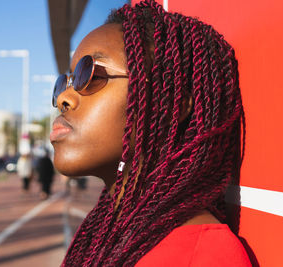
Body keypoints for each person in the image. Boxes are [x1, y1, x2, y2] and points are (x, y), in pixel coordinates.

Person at [50, 1, 251, 266]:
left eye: (90, 73)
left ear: (171, 104)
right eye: (65, 81)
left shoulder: (203, 255)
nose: (64, 97)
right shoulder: (108, 232)